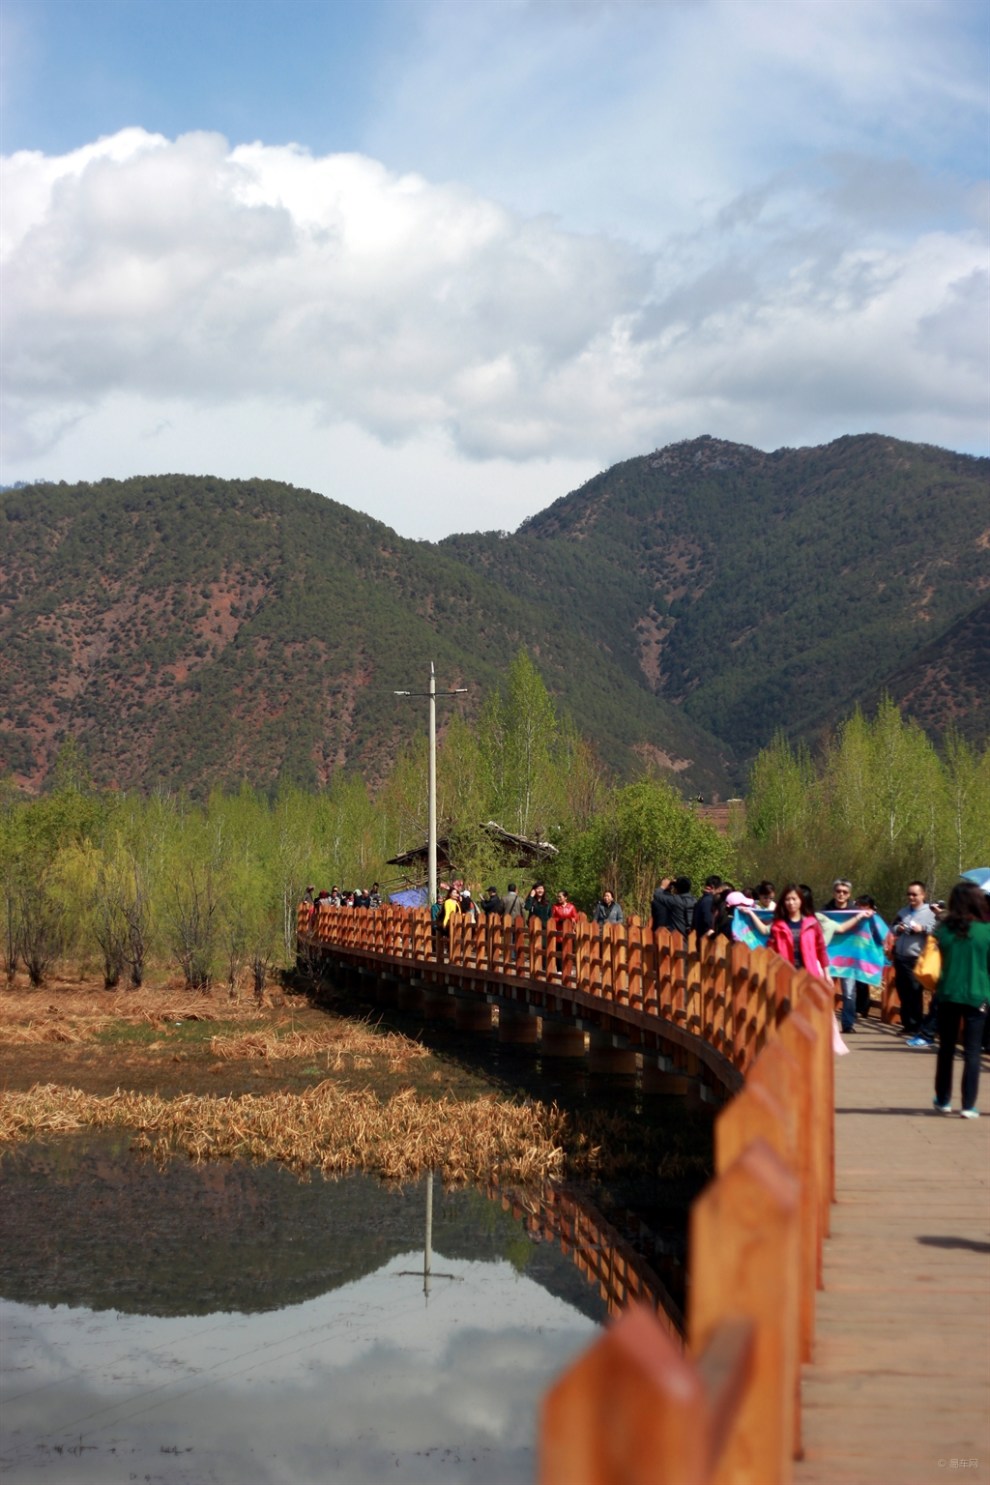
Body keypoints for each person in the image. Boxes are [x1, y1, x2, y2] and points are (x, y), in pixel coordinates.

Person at [931, 881, 990, 1118]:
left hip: (947, 993)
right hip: (978, 994)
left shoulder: (943, 930)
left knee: (946, 1048)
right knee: (972, 1052)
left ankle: (943, 1099)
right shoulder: (987, 931)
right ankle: (968, 1105)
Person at [885, 882, 937, 1034]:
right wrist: (898, 928)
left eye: (914, 894)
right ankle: (907, 1024)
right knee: (903, 992)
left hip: (917, 957)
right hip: (901, 956)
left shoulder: (931, 912)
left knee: (915, 992)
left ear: (923, 895)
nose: (911, 897)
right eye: (909, 894)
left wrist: (922, 929)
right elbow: (892, 927)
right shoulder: (903, 911)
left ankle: (916, 1025)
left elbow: (937, 929)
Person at [692, 876, 723, 941]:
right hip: (706, 940)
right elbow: (708, 920)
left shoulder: (702, 900)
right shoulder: (709, 901)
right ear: (713, 887)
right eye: (719, 889)